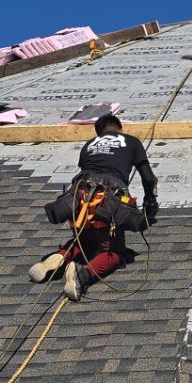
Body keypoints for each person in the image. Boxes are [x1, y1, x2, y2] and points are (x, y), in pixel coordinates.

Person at [29, 112, 160, 299]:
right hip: (107, 199)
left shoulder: (89, 144)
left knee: (84, 242)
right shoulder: (131, 141)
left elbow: (89, 171)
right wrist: (151, 203)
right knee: (115, 252)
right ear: (119, 128)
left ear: (99, 132)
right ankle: (81, 278)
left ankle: (57, 258)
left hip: (79, 196)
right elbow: (149, 179)